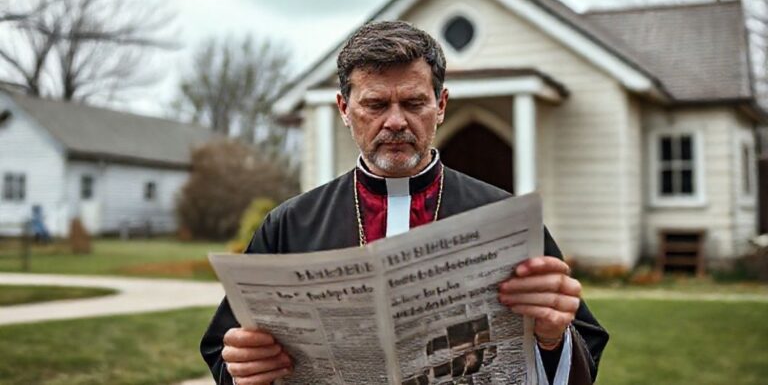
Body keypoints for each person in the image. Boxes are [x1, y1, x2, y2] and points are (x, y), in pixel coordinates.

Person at [201, 20, 609, 385]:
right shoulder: (290, 225)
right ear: (344, 109)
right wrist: (243, 372)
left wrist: (553, 337)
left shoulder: (506, 217)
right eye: (375, 104)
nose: (395, 121)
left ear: (441, 106)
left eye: (414, 103)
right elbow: (228, 353)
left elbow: (577, 351)